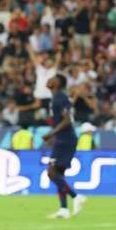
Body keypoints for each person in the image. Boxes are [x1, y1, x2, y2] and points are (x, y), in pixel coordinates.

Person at [43, 75, 87, 219]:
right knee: (58, 174)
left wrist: (51, 134)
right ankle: (64, 209)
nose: (49, 80)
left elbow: (67, 121)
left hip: (65, 140)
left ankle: (76, 196)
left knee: (51, 173)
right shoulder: (57, 97)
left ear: (58, 83)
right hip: (62, 139)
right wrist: (54, 136)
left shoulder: (60, 97)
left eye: (53, 78)